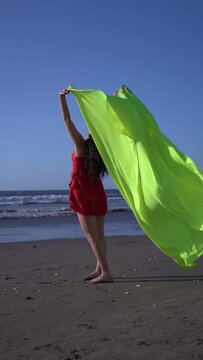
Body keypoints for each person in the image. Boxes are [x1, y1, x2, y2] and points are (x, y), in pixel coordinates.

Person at [59, 88, 113, 284]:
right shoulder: (99, 152)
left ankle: (106, 272)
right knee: (99, 235)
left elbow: (67, 121)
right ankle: (100, 268)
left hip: (83, 193)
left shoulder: (81, 146)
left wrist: (61, 98)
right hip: (97, 191)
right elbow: (107, 123)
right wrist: (112, 102)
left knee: (92, 237)